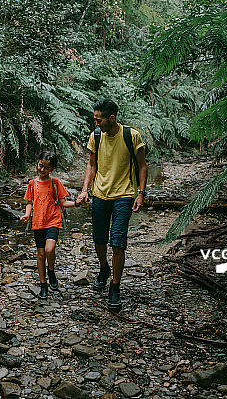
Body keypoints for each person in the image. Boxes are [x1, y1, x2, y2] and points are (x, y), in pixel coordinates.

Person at [75, 99, 147, 311]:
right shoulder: (96, 136)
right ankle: (104, 268)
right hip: (100, 194)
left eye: (99, 120)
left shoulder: (131, 136)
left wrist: (141, 193)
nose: (96, 123)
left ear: (112, 118)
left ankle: (115, 287)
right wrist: (84, 189)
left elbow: (142, 165)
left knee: (117, 241)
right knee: (99, 239)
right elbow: (91, 164)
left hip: (124, 194)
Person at [20, 151, 76, 299]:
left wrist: (76, 203)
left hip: (53, 220)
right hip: (38, 222)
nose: (42, 169)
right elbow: (29, 202)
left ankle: (51, 270)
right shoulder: (32, 184)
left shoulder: (55, 183)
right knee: (40, 254)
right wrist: (27, 215)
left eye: (46, 167)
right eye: (40, 166)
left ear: (52, 169)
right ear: (37, 163)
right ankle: (43, 284)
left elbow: (63, 202)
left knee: (49, 249)